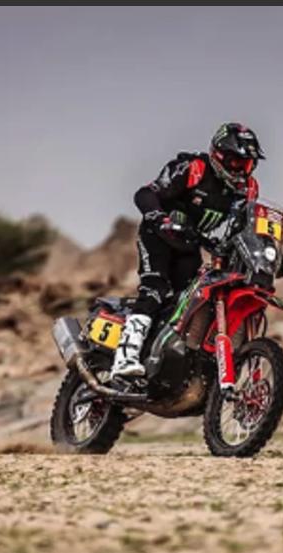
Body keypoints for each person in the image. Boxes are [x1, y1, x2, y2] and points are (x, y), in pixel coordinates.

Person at [111, 122, 264, 378]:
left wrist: (272, 253)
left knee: (189, 300)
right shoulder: (194, 168)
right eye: (236, 162)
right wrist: (161, 219)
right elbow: (145, 194)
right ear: (219, 155)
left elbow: (248, 226)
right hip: (158, 236)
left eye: (246, 164)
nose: (241, 169)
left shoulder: (248, 189)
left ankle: (165, 360)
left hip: (190, 245)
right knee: (155, 289)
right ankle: (124, 357)